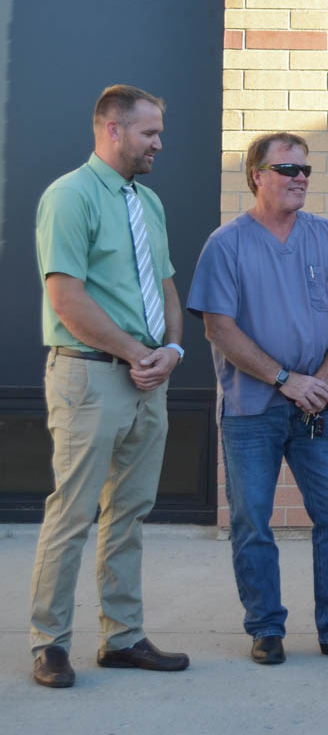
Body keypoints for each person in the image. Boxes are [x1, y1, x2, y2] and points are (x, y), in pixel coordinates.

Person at [187, 132, 328, 666]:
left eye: (305, 171)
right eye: (287, 169)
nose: (299, 179)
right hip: (252, 411)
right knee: (252, 521)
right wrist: (285, 379)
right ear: (256, 175)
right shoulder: (227, 245)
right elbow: (218, 328)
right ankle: (266, 628)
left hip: (319, 406)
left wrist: (325, 378)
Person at [30, 84, 190, 688]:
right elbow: (66, 298)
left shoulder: (147, 201)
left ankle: (122, 638)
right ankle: (49, 643)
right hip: (90, 376)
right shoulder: (69, 196)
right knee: (72, 513)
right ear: (113, 130)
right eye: (150, 133)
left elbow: (167, 286)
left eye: (160, 133)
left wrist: (170, 351)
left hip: (148, 380)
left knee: (129, 512)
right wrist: (134, 353)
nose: (159, 144)